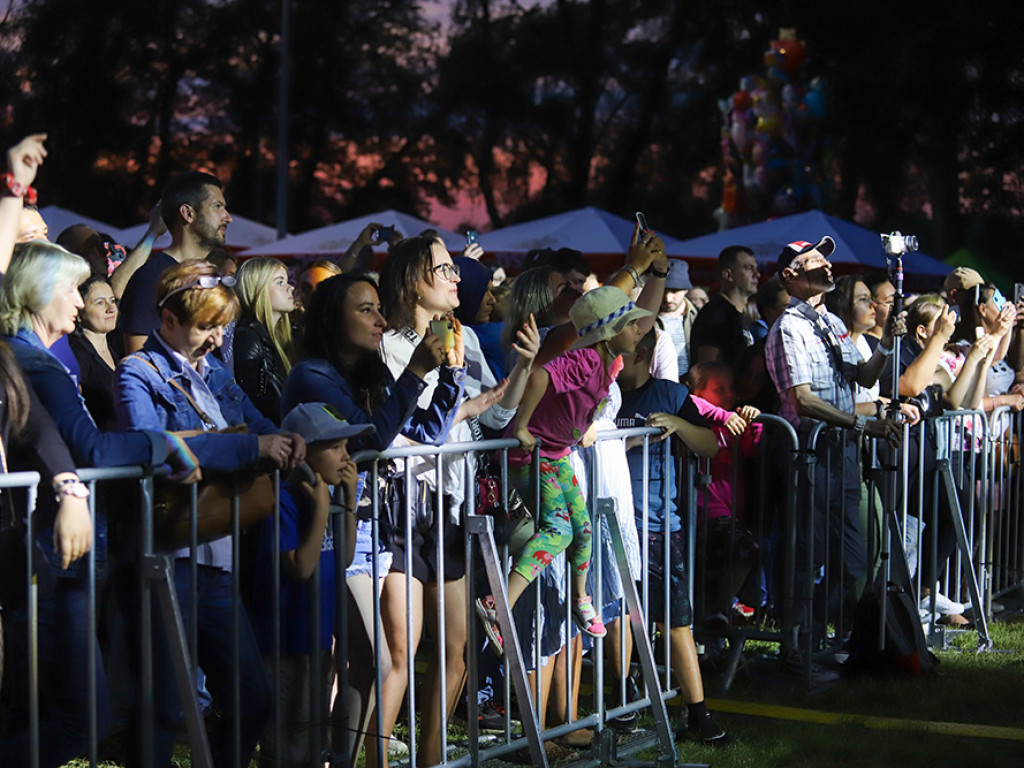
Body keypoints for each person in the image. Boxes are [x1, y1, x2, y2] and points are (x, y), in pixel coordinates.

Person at [0, 240, 199, 768]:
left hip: (47, 546)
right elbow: (93, 448)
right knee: (82, 714)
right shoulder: (34, 364)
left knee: (36, 708)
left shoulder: (31, 357)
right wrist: (173, 444)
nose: (79, 299)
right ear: (36, 293)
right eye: (69, 288)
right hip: (48, 550)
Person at [114, 259, 305, 768]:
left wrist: (286, 440)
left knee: (251, 696)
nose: (217, 339)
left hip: (217, 557)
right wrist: (250, 449)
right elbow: (155, 446)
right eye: (205, 328)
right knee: (159, 707)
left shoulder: (214, 368)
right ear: (168, 319)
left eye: (221, 327)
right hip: (163, 559)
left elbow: (257, 424)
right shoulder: (138, 371)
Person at [280, 271, 461, 767]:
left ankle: (341, 760)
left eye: (380, 308)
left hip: (356, 525)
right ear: (332, 318)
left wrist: (450, 373)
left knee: (366, 659)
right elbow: (370, 440)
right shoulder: (313, 375)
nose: (381, 319)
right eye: (365, 309)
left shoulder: (366, 372)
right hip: (317, 528)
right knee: (328, 665)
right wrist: (416, 371)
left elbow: (427, 431)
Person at [482, 286, 651, 646]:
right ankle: (497, 604)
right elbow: (540, 375)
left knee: (583, 529)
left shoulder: (611, 362)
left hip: (555, 454)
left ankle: (581, 599)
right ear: (609, 332)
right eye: (631, 324)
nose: (640, 329)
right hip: (530, 456)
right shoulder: (586, 360)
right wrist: (522, 426)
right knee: (559, 530)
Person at [766, 236, 903, 674]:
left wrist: (884, 343)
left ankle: (819, 635)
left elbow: (861, 376)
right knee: (806, 556)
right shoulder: (789, 327)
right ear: (790, 275)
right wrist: (862, 424)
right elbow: (803, 400)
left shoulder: (831, 322)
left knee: (854, 561)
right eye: (813, 261)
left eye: (826, 258)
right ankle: (795, 647)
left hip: (841, 452)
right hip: (811, 453)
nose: (826, 266)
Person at [613, 328, 726, 744]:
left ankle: (699, 715)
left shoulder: (671, 393)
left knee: (677, 622)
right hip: (613, 526)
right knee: (620, 618)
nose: (610, 358)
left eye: (617, 351)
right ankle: (622, 704)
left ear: (641, 353)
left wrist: (678, 424)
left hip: (661, 528)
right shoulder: (601, 394)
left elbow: (710, 445)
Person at [250, 402, 367, 768]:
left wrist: (346, 500)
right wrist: (320, 511)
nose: (346, 457)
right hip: (281, 647)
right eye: (335, 448)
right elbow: (299, 568)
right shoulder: (281, 501)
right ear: (303, 453)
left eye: (347, 447)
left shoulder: (325, 498)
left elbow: (344, 557)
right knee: (286, 744)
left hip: (316, 643)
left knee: (311, 738)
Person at [118, 171, 232, 354]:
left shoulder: (215, 276)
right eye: (217, 206)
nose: (227, 217)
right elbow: (140, 362)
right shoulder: (152, 278)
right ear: (188, 213)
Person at [233, 257, 297, 423]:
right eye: (280, 282)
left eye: (287, 281)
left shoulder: (281, 336)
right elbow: (252, 403)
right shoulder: (247, 337)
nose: (291, 288)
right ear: (257, 289)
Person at [689, 245, 760, 366]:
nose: (757, 274)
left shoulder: (738, 314)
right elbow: (707, 366)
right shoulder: (714, 314)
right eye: (749, 268)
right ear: (728, 275)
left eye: (756, 268)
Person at [67, 275, 123, 429]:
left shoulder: (118, 346)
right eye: (100, 303)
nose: (111, 308)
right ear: (79, 313)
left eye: (112, 300)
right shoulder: (75, 355)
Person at [658, 258, 696, 377]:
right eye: (663, 290)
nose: (668, 297)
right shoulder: (646, 317)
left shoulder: (698, 317)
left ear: (686, 290)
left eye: (674, 291)